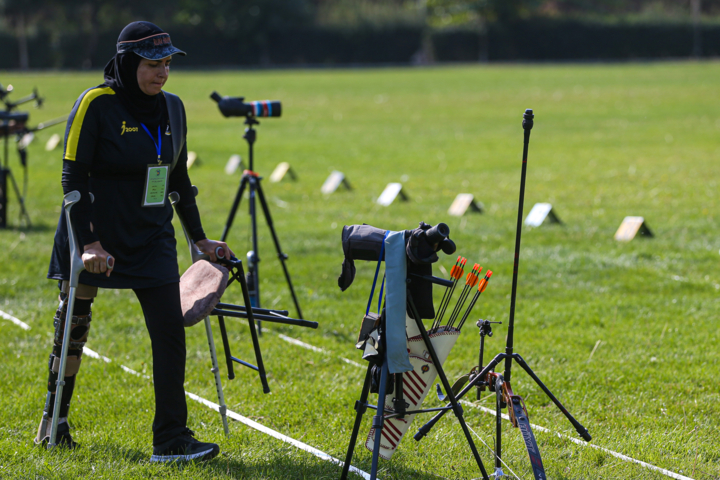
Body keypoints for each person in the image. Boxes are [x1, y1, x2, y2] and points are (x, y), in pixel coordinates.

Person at [36, 21, 231, 463]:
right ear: (127, 64)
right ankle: (55, 419)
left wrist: (199, 239)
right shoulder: (96, 104)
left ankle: (171, 439)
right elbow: (72, 180)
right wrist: (89, 243)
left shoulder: (174, 109)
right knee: (73, 328)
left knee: (169, 334)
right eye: (151, 65)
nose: (161, 73)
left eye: (166, 64)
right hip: (94, 235)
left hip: (151, 236)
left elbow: (178, 178)